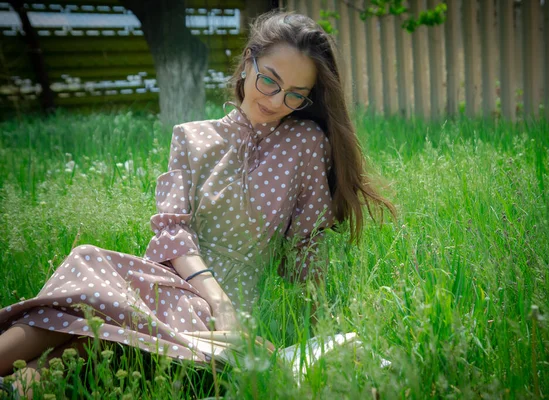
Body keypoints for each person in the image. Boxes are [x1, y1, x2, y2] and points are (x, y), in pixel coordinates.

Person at [0, 10, 394, 398]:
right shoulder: (192, 138)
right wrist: (216, 299)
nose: (276, 100)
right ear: (247, 64)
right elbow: (172, 230)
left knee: (95, 326)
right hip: (175, 285)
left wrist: (317, 331)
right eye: (269, 80)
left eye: (295, 95)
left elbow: (308, 244)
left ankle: (19, 386)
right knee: (91, 286)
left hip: (223, 317)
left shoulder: (305, 142)